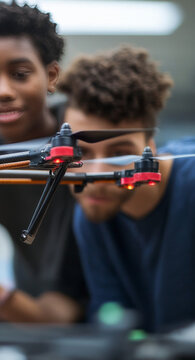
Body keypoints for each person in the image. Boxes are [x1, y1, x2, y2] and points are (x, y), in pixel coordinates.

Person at [0, 1, 86, 323]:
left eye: (20, 74)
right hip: (30, 306)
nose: (3, 91)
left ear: (51, 75)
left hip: (102, 305)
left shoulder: (82, 132)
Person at [58, 45, 194, 333]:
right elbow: (114, 317)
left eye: (119, 154)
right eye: (80, 154)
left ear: (151, 150)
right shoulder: (93, 210)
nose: (96, 175)